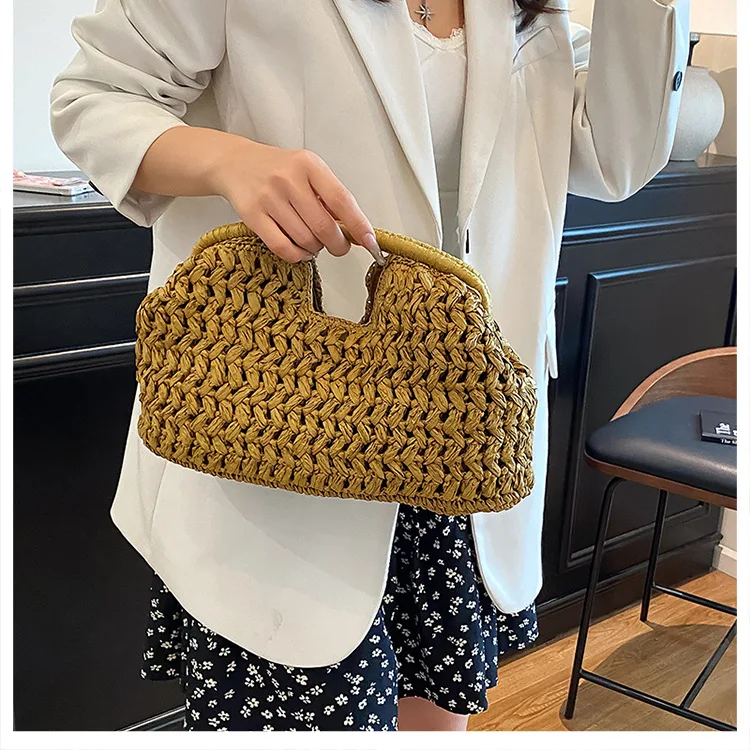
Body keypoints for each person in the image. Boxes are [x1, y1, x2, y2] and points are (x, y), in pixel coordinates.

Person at [51, 0, 689, 732]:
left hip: (454, 440)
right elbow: (91, 98)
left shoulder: (527, 11)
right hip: (277, 427)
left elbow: (617, 157)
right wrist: (231, 161)